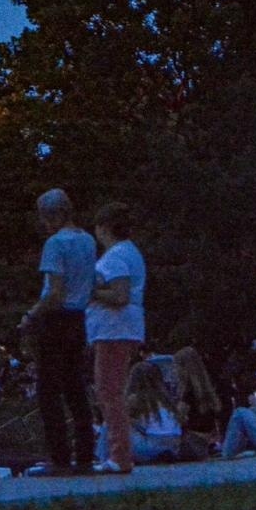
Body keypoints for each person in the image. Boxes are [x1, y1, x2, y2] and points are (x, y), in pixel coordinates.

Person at [20, 189, 98, 475]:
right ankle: (86, 452)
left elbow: (54, 292)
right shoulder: (88, 240)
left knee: (49, 391)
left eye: (45, 217)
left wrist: (31, 315)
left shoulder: (55, 244)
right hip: (79, 318)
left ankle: (60, 457)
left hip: (55, 320)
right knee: (75, 386)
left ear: (54, 215)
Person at [86, 202, 146, 474]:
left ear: (104, 228)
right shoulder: (129, 252)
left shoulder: (116, 256)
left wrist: (90, 292)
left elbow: (120, 296)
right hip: (119, 329)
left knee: (108, 391)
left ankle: (119, 455)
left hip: (114, 329)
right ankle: (117, 452)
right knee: (111, 390)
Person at [96, 359, 188, 464]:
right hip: (173, 447)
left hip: (151, 447)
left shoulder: (136, 399)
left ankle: (102, 459)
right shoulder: (166, 400)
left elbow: (119, 417)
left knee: (110, 422)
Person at [172, 346, 223, 448]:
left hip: (193, 440)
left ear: (184, 369)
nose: (174, 371)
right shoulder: (207, 391)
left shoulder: (187, 394)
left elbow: (176, 420)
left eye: (176, 367)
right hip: (208, 438)